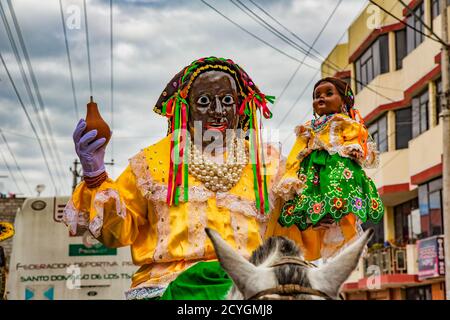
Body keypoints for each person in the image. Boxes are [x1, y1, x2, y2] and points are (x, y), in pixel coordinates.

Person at [63, 56, 290, 300]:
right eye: (204, 101)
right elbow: (117, 234)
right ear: (185, 107)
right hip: (169, 287)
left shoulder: (268, 163)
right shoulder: (150, 162)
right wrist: (95, 175)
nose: (218, 111)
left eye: (227, 100)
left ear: (241, 105)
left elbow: (297, 229)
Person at [273, 77, 384, 261]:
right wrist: (291, 173)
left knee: (340, 197)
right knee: (310, 201)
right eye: (317, 96)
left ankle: (345, 233)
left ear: (343, 101)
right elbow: (297, 150)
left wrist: (355, 148)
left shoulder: (345, 122)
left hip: (338, 168)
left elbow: (357, 138)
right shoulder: (308, 127)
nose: (321, 98)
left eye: (328, 93)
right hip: (313, 171)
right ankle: (318, 221)